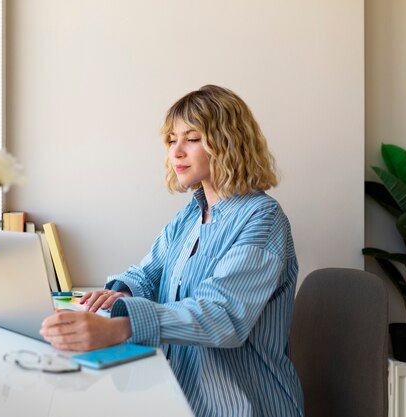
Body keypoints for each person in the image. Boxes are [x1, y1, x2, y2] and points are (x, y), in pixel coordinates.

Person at [40, 85, 304, 417]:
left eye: (192, 139)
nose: (176, 151)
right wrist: (116, 294)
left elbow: (222, 314)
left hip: (242, 405)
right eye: (171, 140)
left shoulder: (263, 219)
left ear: (227, 142)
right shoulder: (191, 215)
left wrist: (123, 326)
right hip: (180, 396)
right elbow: (148, 273)